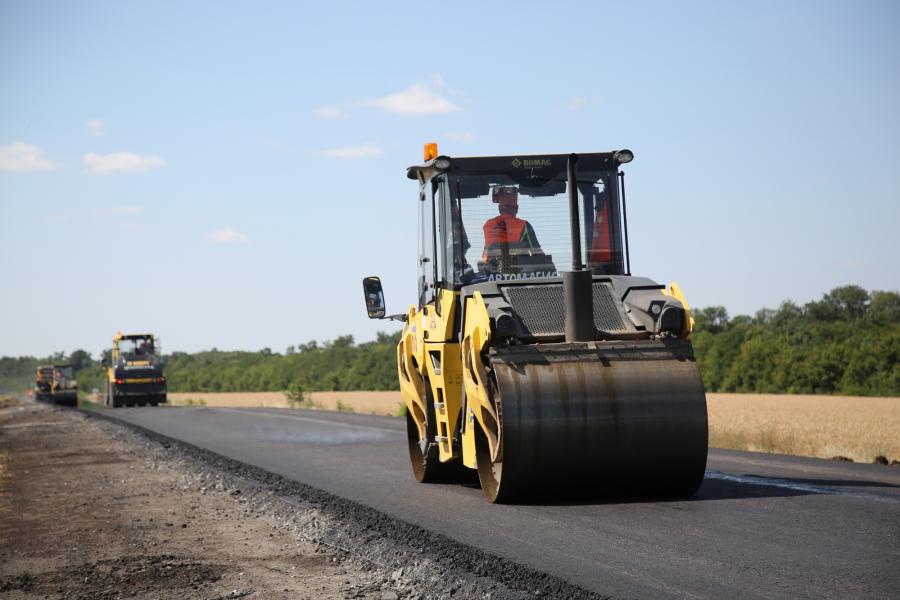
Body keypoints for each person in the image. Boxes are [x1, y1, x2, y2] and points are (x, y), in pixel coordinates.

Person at [481, 186, 543, 267]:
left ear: (499, 208)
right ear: (516, 208)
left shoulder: (488, 225)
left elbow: (486, 256)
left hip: (493, 274)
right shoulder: (523, 225)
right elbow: (537, 254)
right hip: (520, 274)